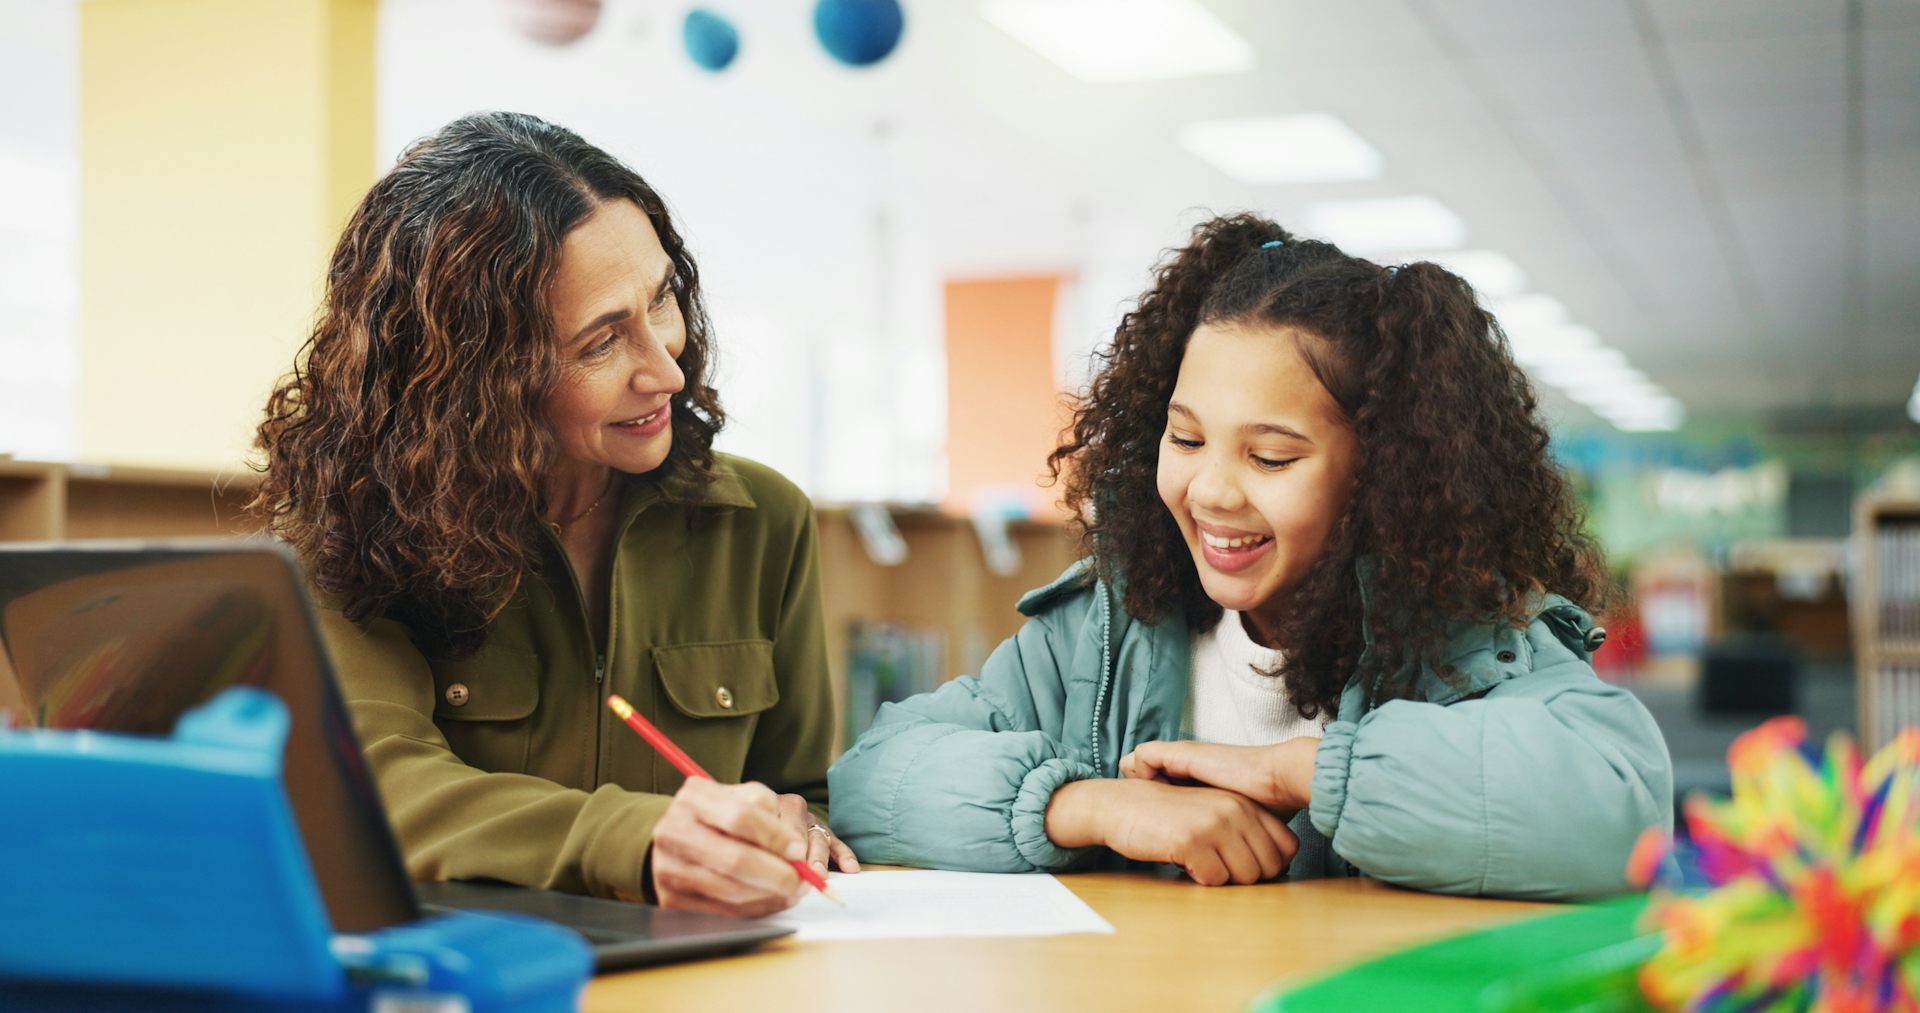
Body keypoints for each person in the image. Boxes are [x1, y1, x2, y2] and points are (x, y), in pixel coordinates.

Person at [828, 214, 1672, 900]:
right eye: (1186, 437)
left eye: (1271, 457)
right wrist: (1084, 804)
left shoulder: (1466, 632)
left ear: (1381, 472)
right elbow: (873, 781)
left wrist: (1310, 774)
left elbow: (1620, 805)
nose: (1213, 492)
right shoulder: (1098, 632)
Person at [253, 111, 858, 918]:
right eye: (602, 342)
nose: (666, 370)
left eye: (663, 300)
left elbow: (801, 786)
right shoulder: (347, 526)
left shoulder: (762, 521)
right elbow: (376, 784)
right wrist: (637, 841)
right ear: (476, 379)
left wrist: (796, 823)